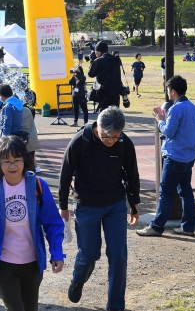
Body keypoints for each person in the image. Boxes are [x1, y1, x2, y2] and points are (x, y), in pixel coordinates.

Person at [0, 136, 65, 311]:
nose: (12, 166)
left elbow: (52, 223)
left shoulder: (38, 186)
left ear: (25, 160)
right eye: (6, 161)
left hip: (32, 263)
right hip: (3, 264)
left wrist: (57, 253)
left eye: (16, 160)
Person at [59, 106, 140, 309]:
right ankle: (78, 279)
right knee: (89, 253)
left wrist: (134, 204)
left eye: (115, 136)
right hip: (87, 205)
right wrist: (63, 206)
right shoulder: (80, 141)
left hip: (115, 205)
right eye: (106, 136)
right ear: (97, 126)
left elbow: (132, 174)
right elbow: (65, 173)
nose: (110, 141)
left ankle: (115, 305)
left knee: (118, 255)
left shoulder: (124, 144)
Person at [137, 75, 195, 237]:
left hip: (175, 156)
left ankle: (156, 226)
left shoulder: (176, 109)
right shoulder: (192, 107)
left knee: (165, 192)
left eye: (168, 90)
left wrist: (160, 120)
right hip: (188, 156)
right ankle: (187, 226)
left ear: (173, 91)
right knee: (186, 192)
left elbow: (169, 132)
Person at [88, 41, 122, 112]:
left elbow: (91, 74)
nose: (95, 53)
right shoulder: (116, 60)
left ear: (99, 51)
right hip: (115, 94)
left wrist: (92, 61)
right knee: (114, 116)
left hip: (104, 94)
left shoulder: (98, 61)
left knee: (104, 118)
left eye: (96, 51)